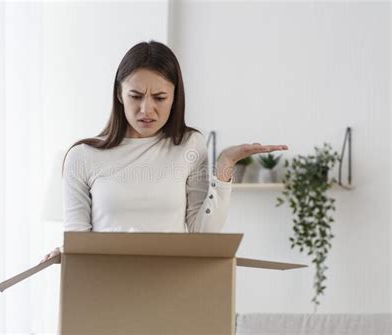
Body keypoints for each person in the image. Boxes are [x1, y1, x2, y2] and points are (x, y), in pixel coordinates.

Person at [40, 40, 287, 263]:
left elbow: (204, 234)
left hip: (172, 283)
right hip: (106, 285)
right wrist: (67, 250)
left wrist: (225, 166)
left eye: (159, 97)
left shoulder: (189, 145)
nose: (146, 110)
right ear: (119, 94)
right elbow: (79, 240)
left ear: (174, 97)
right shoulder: (82, 156)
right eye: (135, 96)